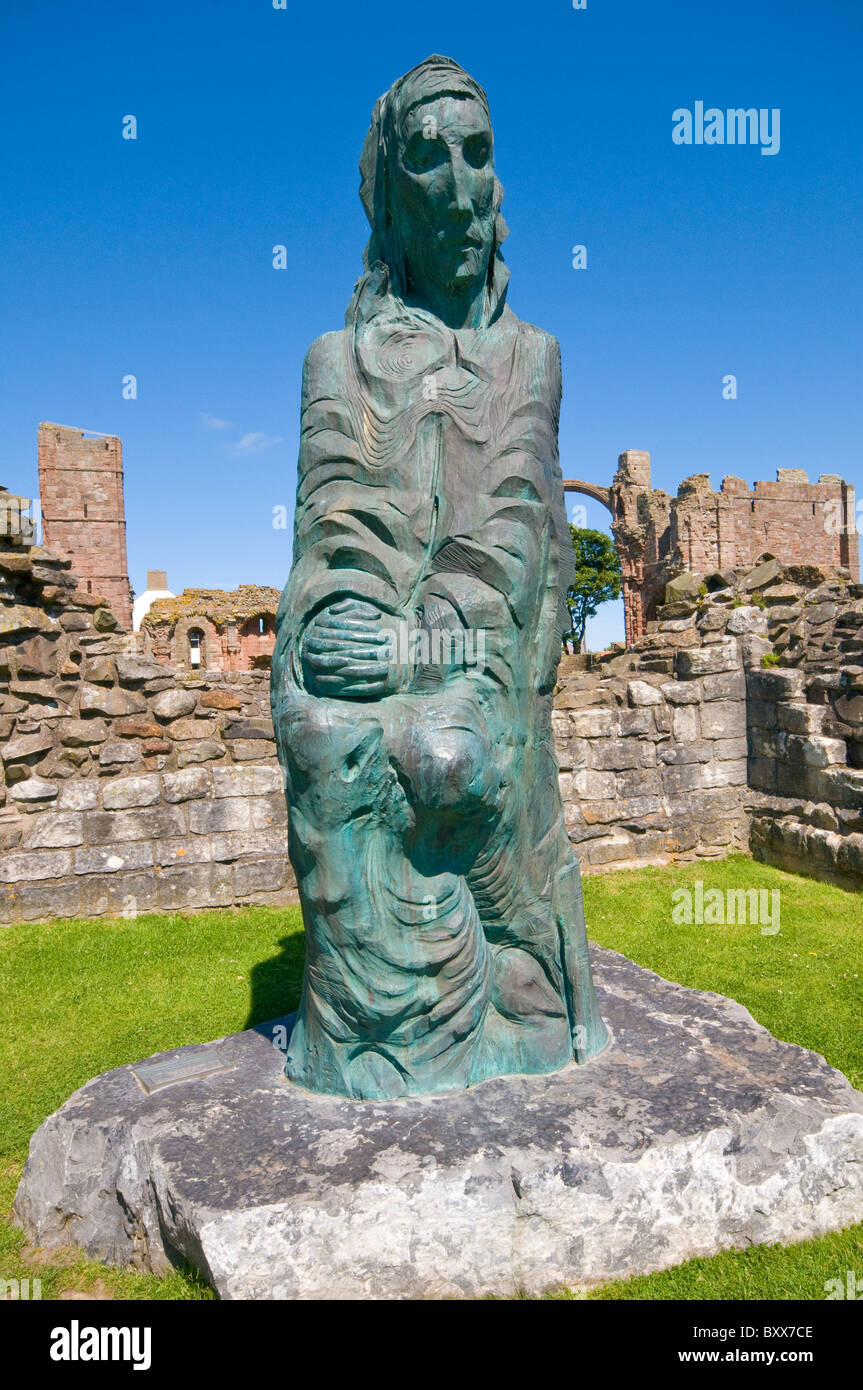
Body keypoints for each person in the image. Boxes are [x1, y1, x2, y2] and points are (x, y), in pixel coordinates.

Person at [271, 55, 608, 1099]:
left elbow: (512, 540)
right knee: (327, 730)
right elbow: (332, 529)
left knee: (448, 750)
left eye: (478, 155)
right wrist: (336, 621)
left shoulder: (532, 358)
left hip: (476, 658)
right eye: (427, 160)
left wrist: (429, 647)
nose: (460, 188)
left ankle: (504, 993)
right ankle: (374, 1039)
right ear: (388, 192)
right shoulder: (336, 362)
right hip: (378, 648)